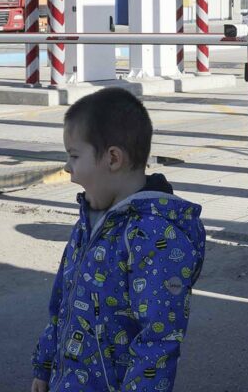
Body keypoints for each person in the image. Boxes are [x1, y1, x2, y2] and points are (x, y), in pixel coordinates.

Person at [29, 88, 206, 392]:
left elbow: (158, 339)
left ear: (112, 158)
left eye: (74, 156)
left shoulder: (153, 235)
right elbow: (62, 303)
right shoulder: (90, 220)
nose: (67, 168)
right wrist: (44, 367)